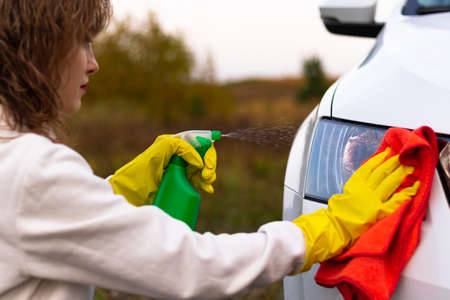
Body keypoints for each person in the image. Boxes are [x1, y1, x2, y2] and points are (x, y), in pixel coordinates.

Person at [0, 1, 419, 299]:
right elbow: (191, 266)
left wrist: (123, 188)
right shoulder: (31, 169)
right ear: (40, 48)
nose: (93, 63)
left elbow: (45, 225)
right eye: (83, 42)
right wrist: (324, 229)